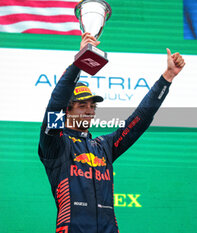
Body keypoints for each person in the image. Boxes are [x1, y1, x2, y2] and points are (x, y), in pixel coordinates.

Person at [38, 32, 185, 233]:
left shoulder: (104, 146)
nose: (89, 110)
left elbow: (139, 120)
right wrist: (79, 63)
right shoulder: (56, 143)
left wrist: (167, 78)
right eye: (82, 105)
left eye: (92, 106)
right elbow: (55, 104)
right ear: (67, 110)